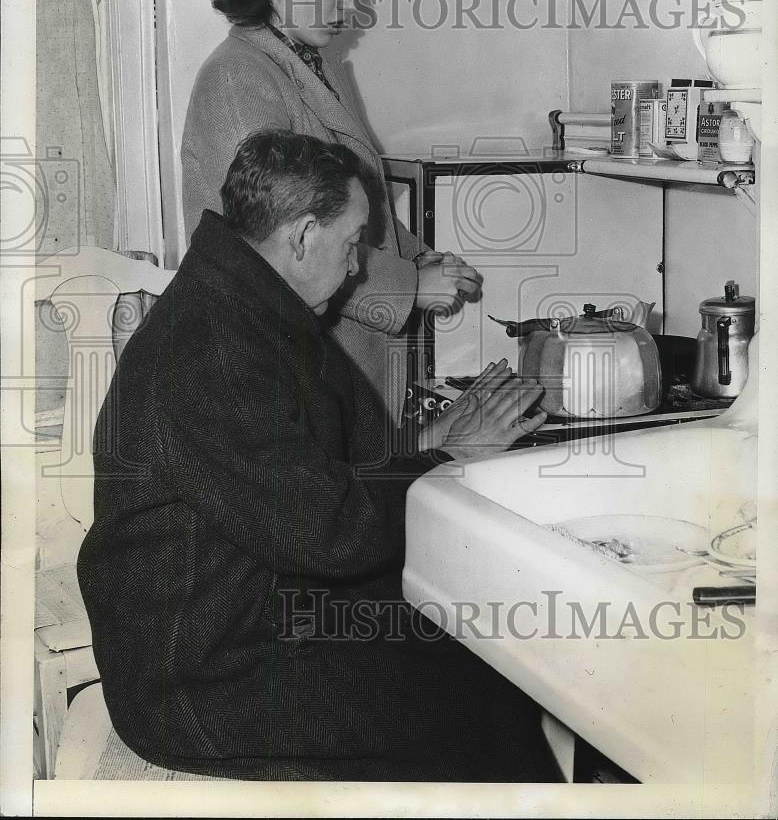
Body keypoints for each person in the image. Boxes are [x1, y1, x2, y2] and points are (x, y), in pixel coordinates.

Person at [78, 131, 552, 782]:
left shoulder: (242, 302)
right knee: (477, 695)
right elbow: (328, 533)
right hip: (200, 676)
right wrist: (451, 456)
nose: (358, 265)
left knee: (487, 654)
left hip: (248, 612)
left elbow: (310, 478)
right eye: (353, 242)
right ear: (302, 237)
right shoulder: (215, 353)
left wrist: (438, 444)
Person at [180, 0, 481, 435]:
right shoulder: (238, 77)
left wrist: (423, 261)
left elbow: (355, 202)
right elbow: (280, 245)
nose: (348, 2)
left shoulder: (318, 64)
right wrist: (410, 288)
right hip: (291, 361)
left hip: (341, 347)